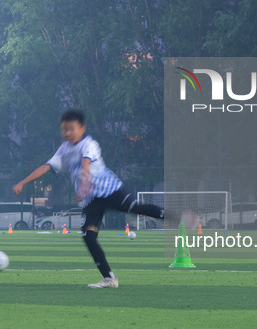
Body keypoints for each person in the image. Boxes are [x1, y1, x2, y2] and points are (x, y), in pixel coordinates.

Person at [13, 109, 165, 289]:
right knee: (89, 237)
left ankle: (175, 217)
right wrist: (22, 182)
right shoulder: (64, 149)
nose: (67, 133)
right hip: (92, 199)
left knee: (136, 207)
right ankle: (109, 278)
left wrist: (84, 183)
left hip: (110, 190)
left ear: (82, 129)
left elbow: (86, 163)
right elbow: (46, 167)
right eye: (64, 130)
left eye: (71, 129)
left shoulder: (89, 144)